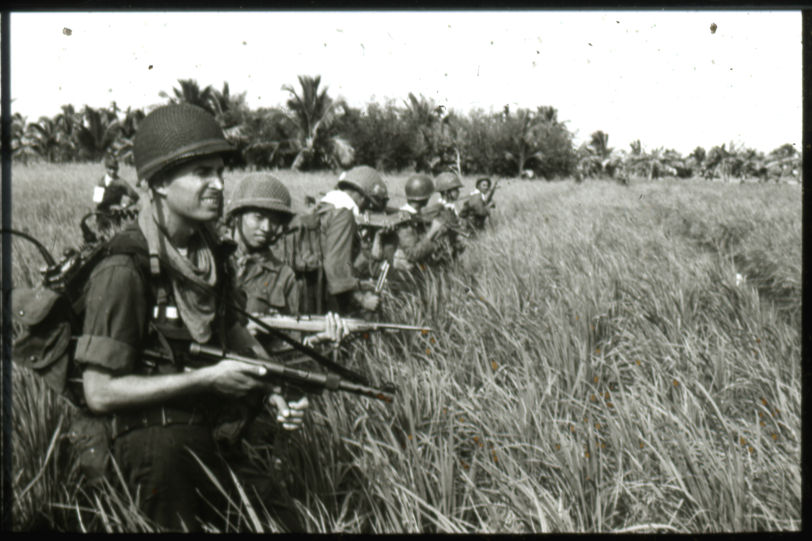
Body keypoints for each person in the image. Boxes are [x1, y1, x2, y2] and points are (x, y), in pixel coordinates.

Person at [73, 104, 311, 532]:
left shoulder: (212, 254)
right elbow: (100, 392)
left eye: (220, 172)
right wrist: (206, 379)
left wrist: (270, 384)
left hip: (210, 432)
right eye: (202, 173)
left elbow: (232, 327)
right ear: (160, 182)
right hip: (152, 448)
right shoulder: (125, 266)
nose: (218, 185)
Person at [224, 172, 349, 349]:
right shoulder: (212, 258)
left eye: (274, 221)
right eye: (258, 218)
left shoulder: (283, 275)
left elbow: (288, 342)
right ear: (237, 216)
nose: (266, 228)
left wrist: (315, 340)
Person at [286, 166, 386, 315]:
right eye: (368, 203)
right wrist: (363, 299)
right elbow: (336, 268)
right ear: (362, 196)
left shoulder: (324, 207)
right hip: (320, 296)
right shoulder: (343, 214)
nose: (367, 209)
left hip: (301, 288)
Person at [390, 174, 449, 273]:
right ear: (426, 198)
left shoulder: (416, 216)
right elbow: (412, 254)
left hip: (417, 270)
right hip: (405, 275)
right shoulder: (404, 219)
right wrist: (432, 232)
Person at [93, 154, 141, 231]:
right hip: (101, 217)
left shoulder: (121, 183)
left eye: (115, 169)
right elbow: (96, 200)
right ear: (106, 168)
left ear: (118, 169)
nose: (112, 171)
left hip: (114, 217)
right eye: (110, 168)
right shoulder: (101, 181)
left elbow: (135, 196)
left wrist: (124, 206)